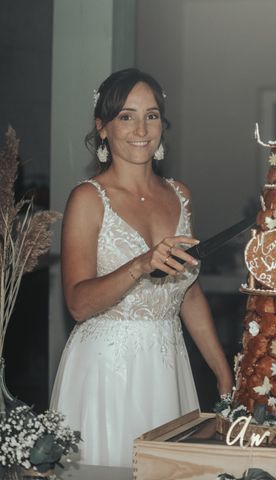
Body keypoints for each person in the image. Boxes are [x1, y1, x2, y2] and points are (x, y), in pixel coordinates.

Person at [50, 68, 233, 467]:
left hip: (168, 364)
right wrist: (140, 264)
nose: (141, 128)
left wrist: (222, 371)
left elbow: (189, 291)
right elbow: (78, 304)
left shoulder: (180, 196)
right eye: (126, 116)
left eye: (151, 115)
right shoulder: (88, 198)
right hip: (107, 369)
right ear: (103, 128)